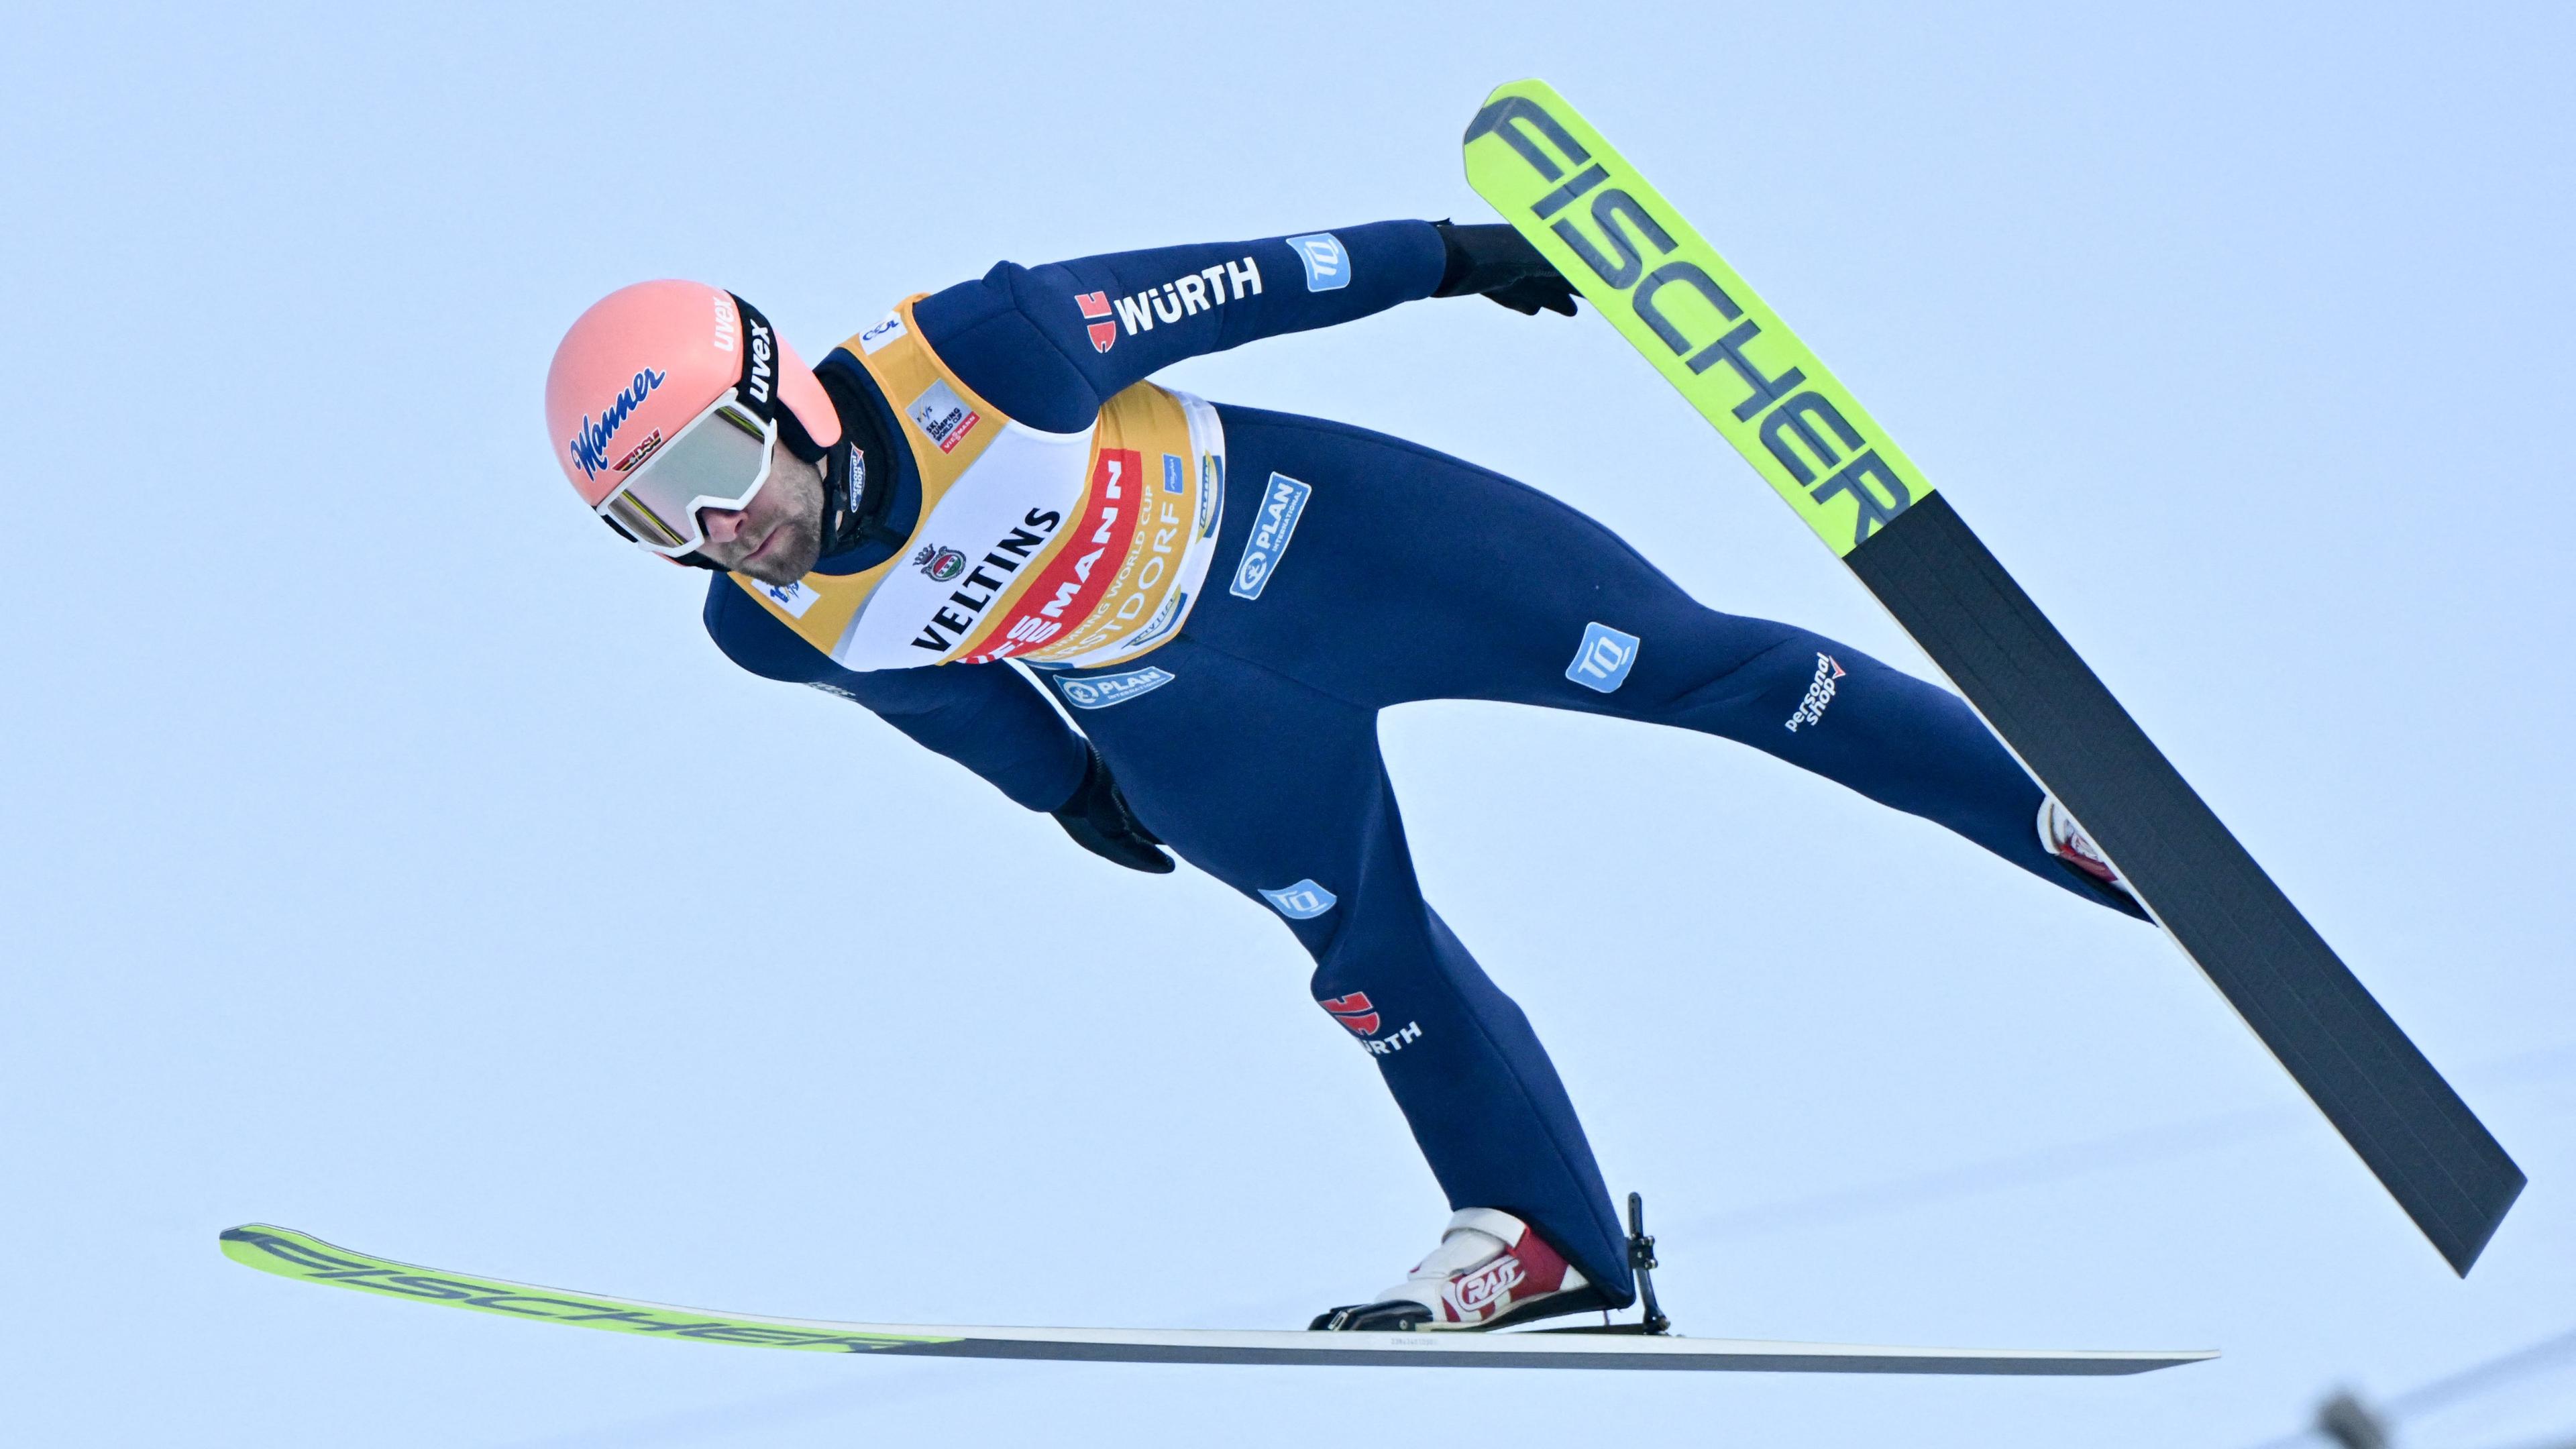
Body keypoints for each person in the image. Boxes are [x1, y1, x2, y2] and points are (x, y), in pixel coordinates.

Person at [542, 220, 2143, 1332]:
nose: (710, 529)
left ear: (782, 401)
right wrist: (1064, 790)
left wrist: (1446, 258)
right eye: (647, 520)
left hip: (1334, 547)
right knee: (1365, 956)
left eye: (706, 472)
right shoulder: (765, 625)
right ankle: (1547, 1245)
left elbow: (1245, 283)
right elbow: (926, 696)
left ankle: (2062, 818)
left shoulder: (986, 352)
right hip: (1182, 715)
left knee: (1692, 664)